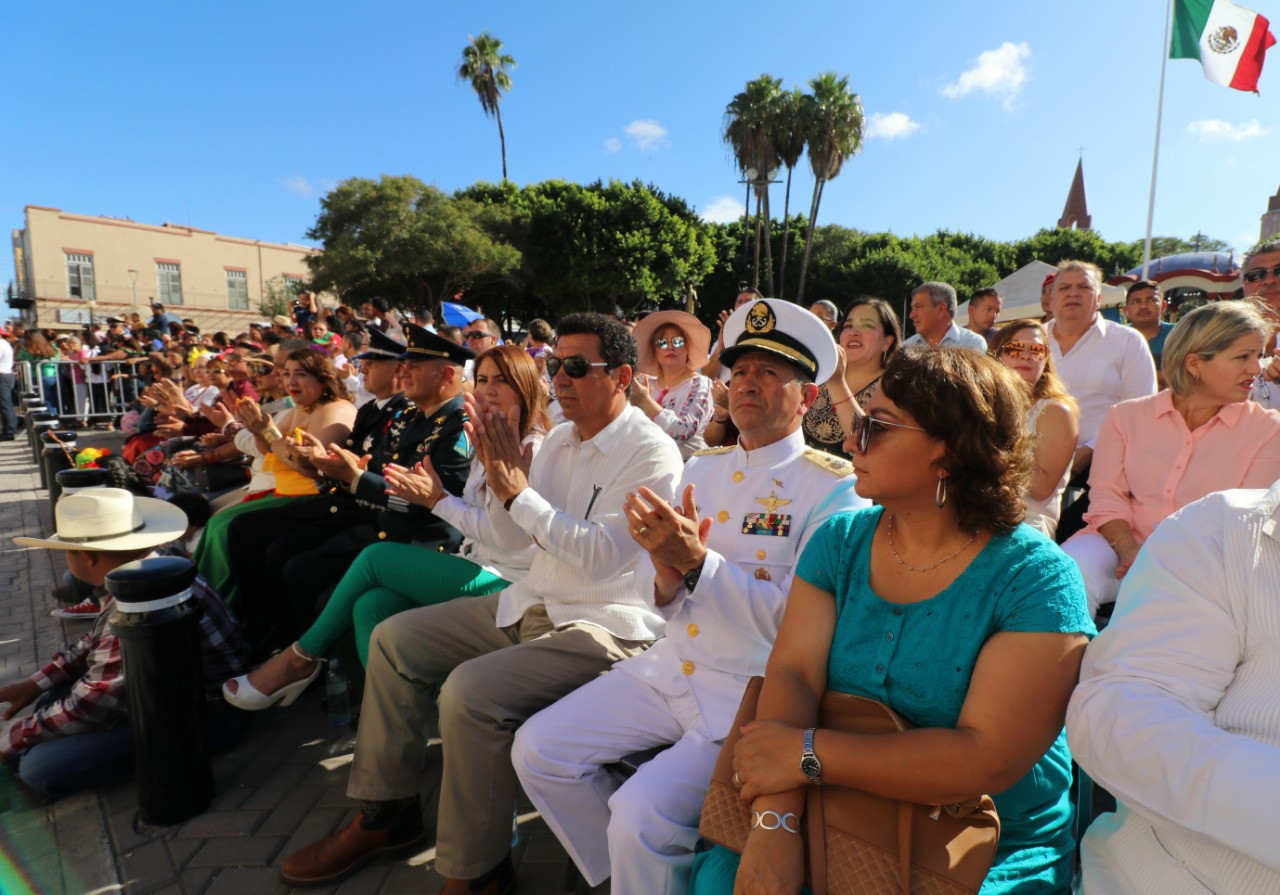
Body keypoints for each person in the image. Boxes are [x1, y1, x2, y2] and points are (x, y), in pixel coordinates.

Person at [278, 312, 684, 892]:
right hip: (533, 601)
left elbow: (602, 558)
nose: (560, 379)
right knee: (393, 640)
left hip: (607, 625)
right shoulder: (561, 440)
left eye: (575, 367)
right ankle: (387, 815)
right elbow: (513, 539)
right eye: (553, 365)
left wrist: (518, 491)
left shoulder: (653, 452)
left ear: (621, 376)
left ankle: (479, 872)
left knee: (470, 693)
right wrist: (498, 480)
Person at [689, 346, 1094, 895]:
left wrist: (805, 756)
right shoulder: (841, 541)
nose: (852, 438)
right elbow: (793, 675)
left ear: (950, 449)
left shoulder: (1036, 579)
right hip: (830, 801)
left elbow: (984, 759)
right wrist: (776, 823)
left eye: (877, 425)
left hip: (979, 834)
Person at [513, 299, 869, 894]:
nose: (747, 383)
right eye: (740, 371)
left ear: (807, 398)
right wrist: (669, 576)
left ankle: (642, 866)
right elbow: (666, 598)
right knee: (538, 752)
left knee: (639, 814)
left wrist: (698, 564)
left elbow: (794, 627)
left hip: (745, 694)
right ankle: (629, 876)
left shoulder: (835, 491)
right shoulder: (701, 468)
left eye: (769, 373)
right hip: (668, 666)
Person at [223, 345, 548, 706]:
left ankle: (299, 660)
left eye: (501, 381)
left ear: (525, 387)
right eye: (483, 379)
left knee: (369, 559)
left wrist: (432, 499)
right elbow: (430, 497)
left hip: (504, 577)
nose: (487, 390)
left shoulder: (525, 445)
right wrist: (355, 476)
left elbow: (511, 540)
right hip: (467, 556)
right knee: (370, 605)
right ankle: (394, 720)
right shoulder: (454, 428)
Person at [1066, 483, 1280, 893]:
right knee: (1073, 571)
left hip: (1160, 546)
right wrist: (1127, 546)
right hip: (1160, 876)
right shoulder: (1221, 528)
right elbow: (1107, 491)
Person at [222, 326, 470, 654]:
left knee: (298, 567)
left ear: (447, 374)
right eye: (403, 364)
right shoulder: (410, 417)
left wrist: (354, 477)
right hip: (379, 523)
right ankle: (286, 648)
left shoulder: (456, 428)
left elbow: (428, 507)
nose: (403, 370)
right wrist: (335, 469)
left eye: (413, 366)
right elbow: (375, 469)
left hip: (415, 539)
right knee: (279, 552)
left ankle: (310, 662)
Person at [1, 489, 247, 799]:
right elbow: (92, 645)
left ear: (89, 557)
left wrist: (13, 739)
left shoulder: (134, 603)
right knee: (49, 701)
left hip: (204, 715)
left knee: (40, 767)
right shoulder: (154, 563)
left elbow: (94, 706)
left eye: (66, 549)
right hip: (171, 691)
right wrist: (36, 684)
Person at [1060, 299, 1280, 619]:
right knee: (1061, 579)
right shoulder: (1126, 417)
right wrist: (1128, 549)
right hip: (1117, 544)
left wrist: (1157, 562)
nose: (1257, 368)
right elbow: (1107, 496)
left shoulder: (1269, 430)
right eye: (1243, 356)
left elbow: (1241, 522)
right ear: (1194, 364)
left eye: (1258, 355)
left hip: (1207, 562)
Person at [1047, 260, 1157, 483]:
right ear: (1051, 300)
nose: (1073, 294)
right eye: (1064, 288)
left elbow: (1139, 411)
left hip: (1105, 464)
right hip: (1034, 461)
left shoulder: (1127, 341)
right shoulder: (1031, 341)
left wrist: (1087, 452)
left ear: (1098, 299)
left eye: (1084, 287)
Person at [990, 319, 1078, 538]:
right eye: (1016, 348)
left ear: (1046, 359)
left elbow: (1040, 489)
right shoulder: (983, 404)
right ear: (996, 356)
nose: (1026, 356)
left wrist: (984, 445)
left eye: (1037, 350)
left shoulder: (1056, 411)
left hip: (1026, 522)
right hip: (975, 509)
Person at [802, 297, 902, 459]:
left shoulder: (895, 388)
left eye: (867, 325)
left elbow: (870, 445)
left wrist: (836, 382)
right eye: (848, 326)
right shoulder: (817, 374)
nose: (854, 332)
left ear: (887, 342)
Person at [628, 310, 715, 460]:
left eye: (678, 341)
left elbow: (684, 432)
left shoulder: (700, 384)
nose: (670, 347)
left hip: (689, 468)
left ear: (687, 348)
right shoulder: (645, 384)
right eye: (662, 343)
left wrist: (646, 402)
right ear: (654, 351)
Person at [1242, 238, 1280, 410]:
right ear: (1244, 285)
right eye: (1257, 274)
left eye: (1279, 271)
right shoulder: (1219, 339)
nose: (1270, 280)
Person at [903, 282, 988, 352]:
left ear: (941, 309)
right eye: (913, 308)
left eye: (918, 307)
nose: (911, 315)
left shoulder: (972, 344)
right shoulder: (905, 348)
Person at [1123, 280, 1174, 377]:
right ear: (1126, 310)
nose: (1143, 306)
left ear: (1163, 306)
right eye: (1136, 301)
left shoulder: (1180, 335)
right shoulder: (1116, 337)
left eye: (1151, 300)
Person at [0, 326, 16, 441]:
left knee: (4, 405)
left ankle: (9, 432)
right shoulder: (5, 344)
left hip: (2, 375)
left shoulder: (1, 344)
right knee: (6, 404)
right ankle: (8, 430)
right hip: (5, 375)